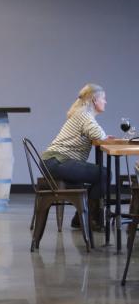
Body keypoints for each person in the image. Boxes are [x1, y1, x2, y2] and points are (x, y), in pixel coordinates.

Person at [41, 83, 110, 228]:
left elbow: (97, 134)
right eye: (103, 98)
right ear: (94, 100)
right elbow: (99, 135)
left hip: (54, 161)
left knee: (101, 174)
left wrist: (102, 136)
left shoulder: (83, 114)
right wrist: (103, 136)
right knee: (104, 173)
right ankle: (89, 218)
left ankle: (82, 218)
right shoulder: (84, 115)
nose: (105, 102)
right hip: (57, 161)